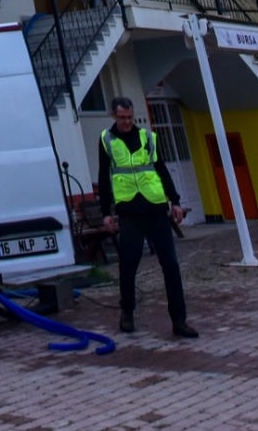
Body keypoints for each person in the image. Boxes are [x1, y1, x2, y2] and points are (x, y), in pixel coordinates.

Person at [97, 95, 198, 338]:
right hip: (129, 211)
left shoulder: (147, 137)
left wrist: (175, 200)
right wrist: (105, 213)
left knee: (170, 265)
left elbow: (160, 168)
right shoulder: (106, 140)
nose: (127, 122)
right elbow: (103, 176)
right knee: (128, 265)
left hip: (155, 208)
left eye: (130, 117)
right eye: (122, 118)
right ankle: (127, 312)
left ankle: (179, 320)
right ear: (113, 116)